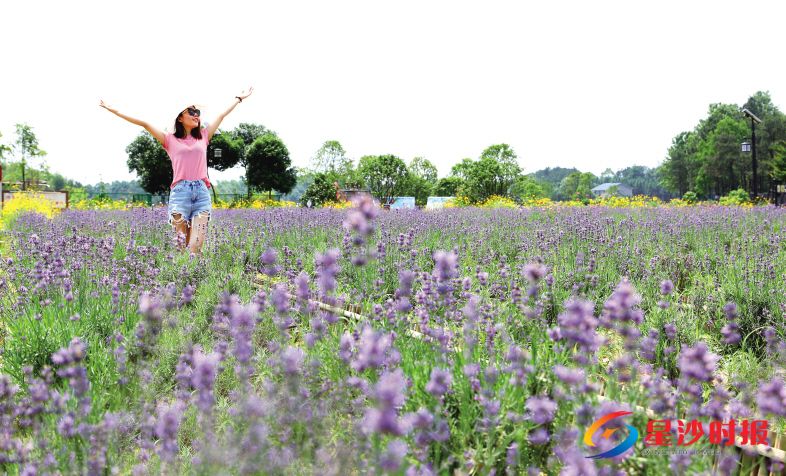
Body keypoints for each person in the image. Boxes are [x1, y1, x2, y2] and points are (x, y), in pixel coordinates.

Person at [99, 88, 253, 254]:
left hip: (201, 193)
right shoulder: (169, 139)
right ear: (180, 117)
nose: (196, 115)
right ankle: (182, 279)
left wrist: (239, 98)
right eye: (192, 111)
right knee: (180, 247)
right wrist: (113, 110)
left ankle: (195, 278)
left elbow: (221, 115)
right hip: (180, 194)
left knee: (195, 247)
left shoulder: (204, 135)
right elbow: (144, 123)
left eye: (198, 112)